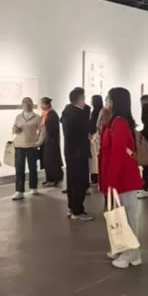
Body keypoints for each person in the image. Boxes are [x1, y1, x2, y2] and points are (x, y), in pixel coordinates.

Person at [99, 88, 144, 269]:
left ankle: (132, 254)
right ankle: (123, 248)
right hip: (119, 176)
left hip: (123, 177)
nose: (106, 102)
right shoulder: (114, 121)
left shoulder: (119, 123)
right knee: (120, 214)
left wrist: (111, 180)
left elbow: (117, 153)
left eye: (108, 99)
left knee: (127, 215)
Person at [61, 87, 94, 221]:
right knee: (79, 182)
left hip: (70, 152)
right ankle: (78, 211)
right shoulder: (78, 114)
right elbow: (89, 128)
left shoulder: (67, 111)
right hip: (79, 152)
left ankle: (72, 207)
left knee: (72, 181)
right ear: (80, 100)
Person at [11, 97, 42, 200]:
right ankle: (19, 191)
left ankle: (33, 187)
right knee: (19, 169)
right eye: (25, 102)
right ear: (22, 105)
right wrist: (15, 129)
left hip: (32, 146)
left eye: (29, 102)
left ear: (32, 104)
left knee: (33, 168)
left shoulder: (37, 117)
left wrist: (39, 142)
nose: (27, 104)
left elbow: (43, 130)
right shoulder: (18, 117)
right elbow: (14, 129)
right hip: (19, 146)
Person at [39, 97, 63, 187]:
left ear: (46, 104)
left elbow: (52, 130)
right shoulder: (45, 114)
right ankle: (50, 178)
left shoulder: (52, 115)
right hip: (47, 141)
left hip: (51, 142)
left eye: (42, 104)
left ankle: (54, 178)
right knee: (47, 161)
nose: (40, 106)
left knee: (52, 160)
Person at [89, 94, 104, 185]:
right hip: (100, 136)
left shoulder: (95, 112)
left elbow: (92, 124)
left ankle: (95, 177)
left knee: (94, 157)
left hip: (95, 136)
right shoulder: (102, 111)